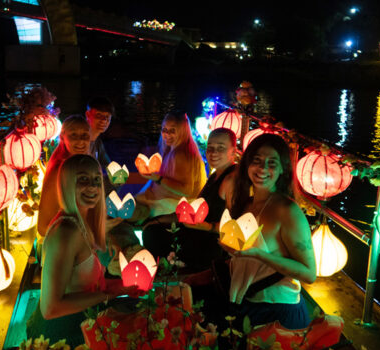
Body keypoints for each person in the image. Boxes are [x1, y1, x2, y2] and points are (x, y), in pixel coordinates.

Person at [26, 155, 139, 350]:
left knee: (144, 312)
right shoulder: (67, 233)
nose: (93, 187)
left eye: (97, 180)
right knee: (143, 346)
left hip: (78, 323)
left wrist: (119, 288)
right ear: (67, 184)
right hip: (60, 345)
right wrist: (107, 294)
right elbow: (50, 308)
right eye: (83, 179)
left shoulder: (82, 221)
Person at [221, 133, 317, 330]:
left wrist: (260, 254)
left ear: (283, 169)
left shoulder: (287, 211)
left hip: (278, 312)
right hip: (245, 303)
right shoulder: (245, 204)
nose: (263, 169)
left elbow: (309, 274)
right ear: (247, 164)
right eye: (257, 161)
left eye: (271, 163)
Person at [142, 127, 238, 271]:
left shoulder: (231, 179)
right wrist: (157, 220)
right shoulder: (214, 175)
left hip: (209, 242)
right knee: (151, 227)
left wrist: (206, 226)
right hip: (196, 230)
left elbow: (234, 226)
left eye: (221, 148)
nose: (213, 153)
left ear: (233, 152)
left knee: (154, 235)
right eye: (210, 147)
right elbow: (191, 212)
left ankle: (172, 269)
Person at [135, 110, 207, 219]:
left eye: (172, 130)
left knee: (128, 212)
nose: (167, 134)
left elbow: (187, 190)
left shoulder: (181, 155)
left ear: (182, 131)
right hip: (163, 199)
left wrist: (158, 178)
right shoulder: (172, 150)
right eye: (164, 129)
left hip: (172, 206)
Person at [37, 115, 92, 237]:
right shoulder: (59, 170)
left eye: (85, 135)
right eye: (73, 135)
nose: (81, 141)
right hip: (65, 241)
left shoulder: (79, 163)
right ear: (62, 137)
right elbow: (43, 227)